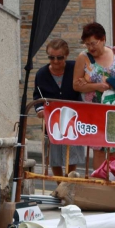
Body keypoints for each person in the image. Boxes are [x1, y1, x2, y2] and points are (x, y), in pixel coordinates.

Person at [73, 22, 115, 169]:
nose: (90, 47)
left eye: (93, 43)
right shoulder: (83, 58)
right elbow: (76, 85)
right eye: (87, 44)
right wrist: (96, 86)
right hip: (95, 112)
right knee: (99, 150)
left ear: (103, 39)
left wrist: (113, 82)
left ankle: (114, 184)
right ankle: (100, 186)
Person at [34, 38, 85, 180]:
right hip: (53, 121)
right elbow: (37, 95)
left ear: (66, 55)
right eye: (51, 57)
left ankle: (68, 182)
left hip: (72, 119)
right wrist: (39, 109)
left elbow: (84, 85)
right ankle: (60, 185)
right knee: (54, 156)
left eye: (59, 57)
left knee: (72, 154)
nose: (55, 61)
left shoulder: (74, 68)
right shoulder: (41, 74)